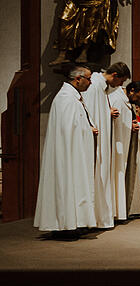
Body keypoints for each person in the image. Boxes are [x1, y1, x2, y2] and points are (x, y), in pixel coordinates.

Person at [34, 67, 98, 238]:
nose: (90, 82)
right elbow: (66, 129)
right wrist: (88, 129)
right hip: (67, 153)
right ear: (78, 79)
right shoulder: (65, 99)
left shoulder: (73, 97)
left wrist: (87, 127)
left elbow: (74, 125)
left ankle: (73, 222)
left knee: (74, 186)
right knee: (66, 185)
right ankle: (65, 225)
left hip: (74, 151)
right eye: (89, 79)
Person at [82, 61, 130, 228]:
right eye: (121, 81)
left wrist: (106, 112)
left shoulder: (101, 88)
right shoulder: (94, 85)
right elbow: (86, 110)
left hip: (102, 140)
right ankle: (94, 218)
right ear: (115, 76)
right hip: (94, 139)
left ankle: (100, 216)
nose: (120, 86)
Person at [109, 81, 140, 221]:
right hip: (117, 145)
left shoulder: (126, 102)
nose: (137, 101)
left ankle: (123, 209)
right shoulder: (117, 99)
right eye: (137, 97)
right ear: (131, 91)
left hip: (126, 142)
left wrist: (131, 125)